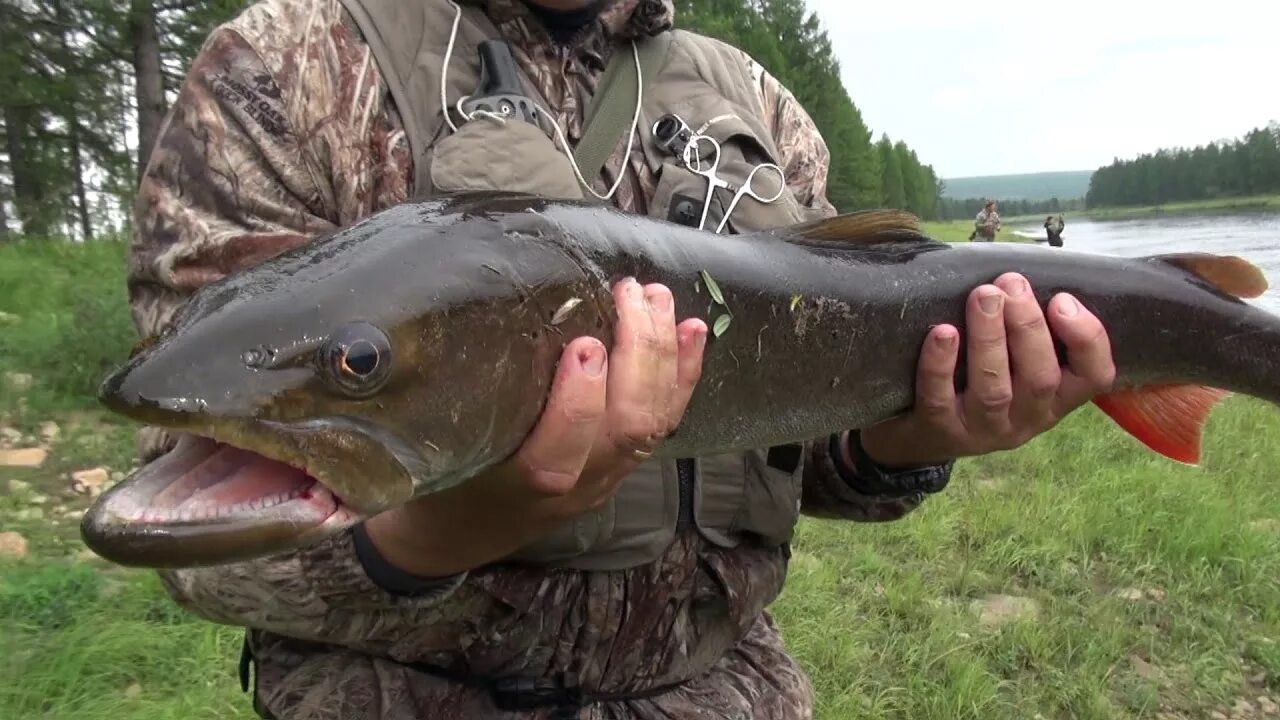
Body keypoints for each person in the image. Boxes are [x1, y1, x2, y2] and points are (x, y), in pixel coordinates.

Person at [126, 0, 1118, 718]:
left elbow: (804, 455)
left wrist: (910, 440)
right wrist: (443, 531)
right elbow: (206, 545)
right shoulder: (284, 69)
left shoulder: (756, 107)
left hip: (725, 695)